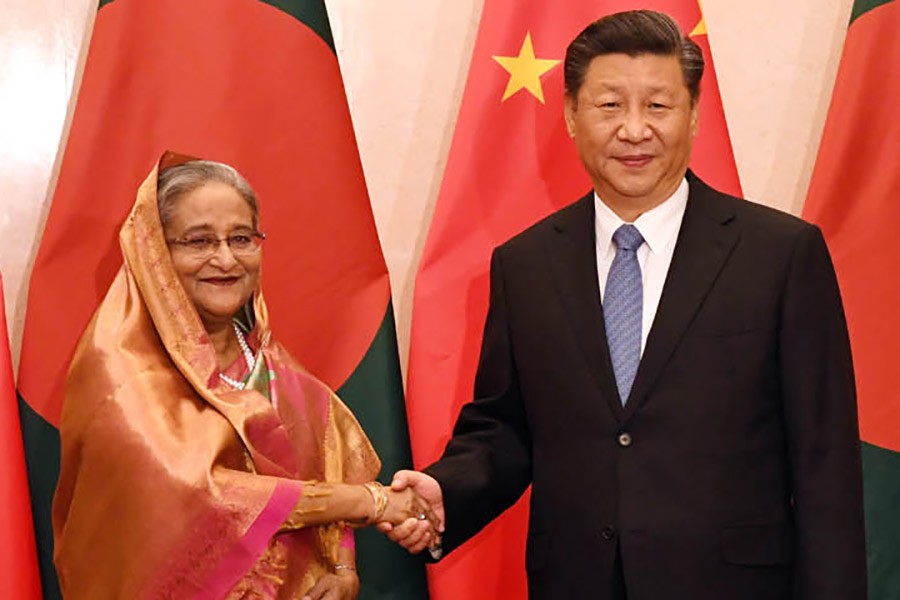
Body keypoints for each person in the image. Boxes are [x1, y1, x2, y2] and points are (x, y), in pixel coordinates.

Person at [381, 10, 867, 600]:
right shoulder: (526, 264)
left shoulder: (781, 256)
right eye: (610, 105)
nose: (634, 130)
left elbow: (825, 464)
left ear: (693, 114)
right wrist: (446, 492)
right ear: (570, 115)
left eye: (657, 106)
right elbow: (504, 428)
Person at [52, 153, 434, 599]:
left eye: (241, 238)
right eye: (198, 241)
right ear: (154, 252)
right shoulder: (118, 365)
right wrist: (375, 502)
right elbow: (205, 494)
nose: (226, 259)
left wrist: (342, 565)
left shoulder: (267, 361)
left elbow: (327, 455)